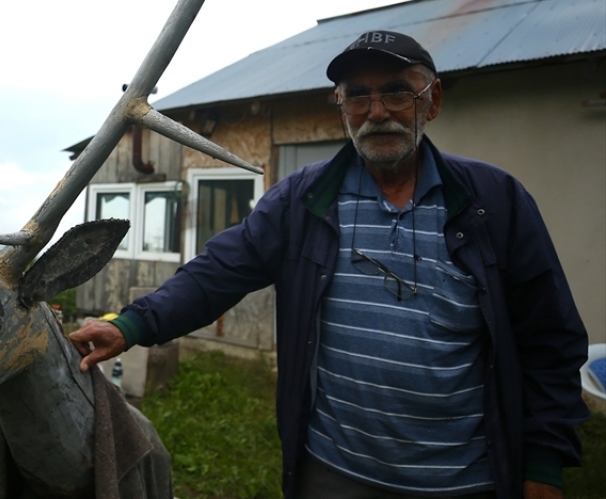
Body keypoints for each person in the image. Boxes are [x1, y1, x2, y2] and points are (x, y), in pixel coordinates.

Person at [69, 30, 588, 499]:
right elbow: (217, 273)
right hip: (332, 472)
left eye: (396, 91)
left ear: (431, 103)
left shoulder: (494, 202)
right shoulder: (304, 199)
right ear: (340, 105)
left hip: (465, 477)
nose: (376, 110)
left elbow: (549, 339)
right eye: (358, 95)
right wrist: (131, 325)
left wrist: (544, 462)